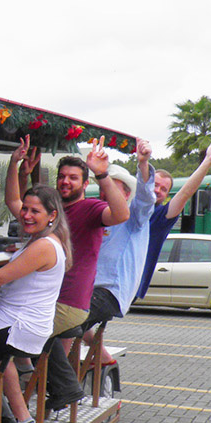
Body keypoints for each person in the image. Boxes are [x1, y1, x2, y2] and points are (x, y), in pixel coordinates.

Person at [7, 135, 129, 411]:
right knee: (24, 336)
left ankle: (58, 391)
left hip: (69, 300)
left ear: (85, 184)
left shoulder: (90, 208)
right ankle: (41, 387)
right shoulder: (52, 212)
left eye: (73, 178)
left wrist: (102, 174)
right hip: (49, 298)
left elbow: (121, 215)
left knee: (19, 336)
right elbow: (14, 202)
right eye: (62, 176)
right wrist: (17, 168)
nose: (65, 181)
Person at [0, 184, 71, 423]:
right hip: (25, 323)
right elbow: (12, 200)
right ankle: (20, 418)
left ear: (52, 215)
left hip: (21, 325)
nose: (25, 215)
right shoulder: (45, 240)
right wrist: (15, 163)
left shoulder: (43, 246)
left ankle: (2, 419)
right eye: (24, 209)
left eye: (34, 211)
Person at [81, 139, 156, 365]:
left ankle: (65, 388)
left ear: (125, 194)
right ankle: (102, 362)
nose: (106, 195)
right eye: (104, 189)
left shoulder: (134, 217)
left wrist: (142, 164)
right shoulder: (97, 215)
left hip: (110, 291)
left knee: (65, 326)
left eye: (112, 189)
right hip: (90, 287)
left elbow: (145, 199)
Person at [135, 140, 211, 300]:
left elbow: (185, 193)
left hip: (131, 284)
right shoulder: (127, 209)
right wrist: (143, 162)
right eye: (155, 184)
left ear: (168, 196)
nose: (157, 190)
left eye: (164, 189)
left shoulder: (162, 217)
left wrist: (208, 161)